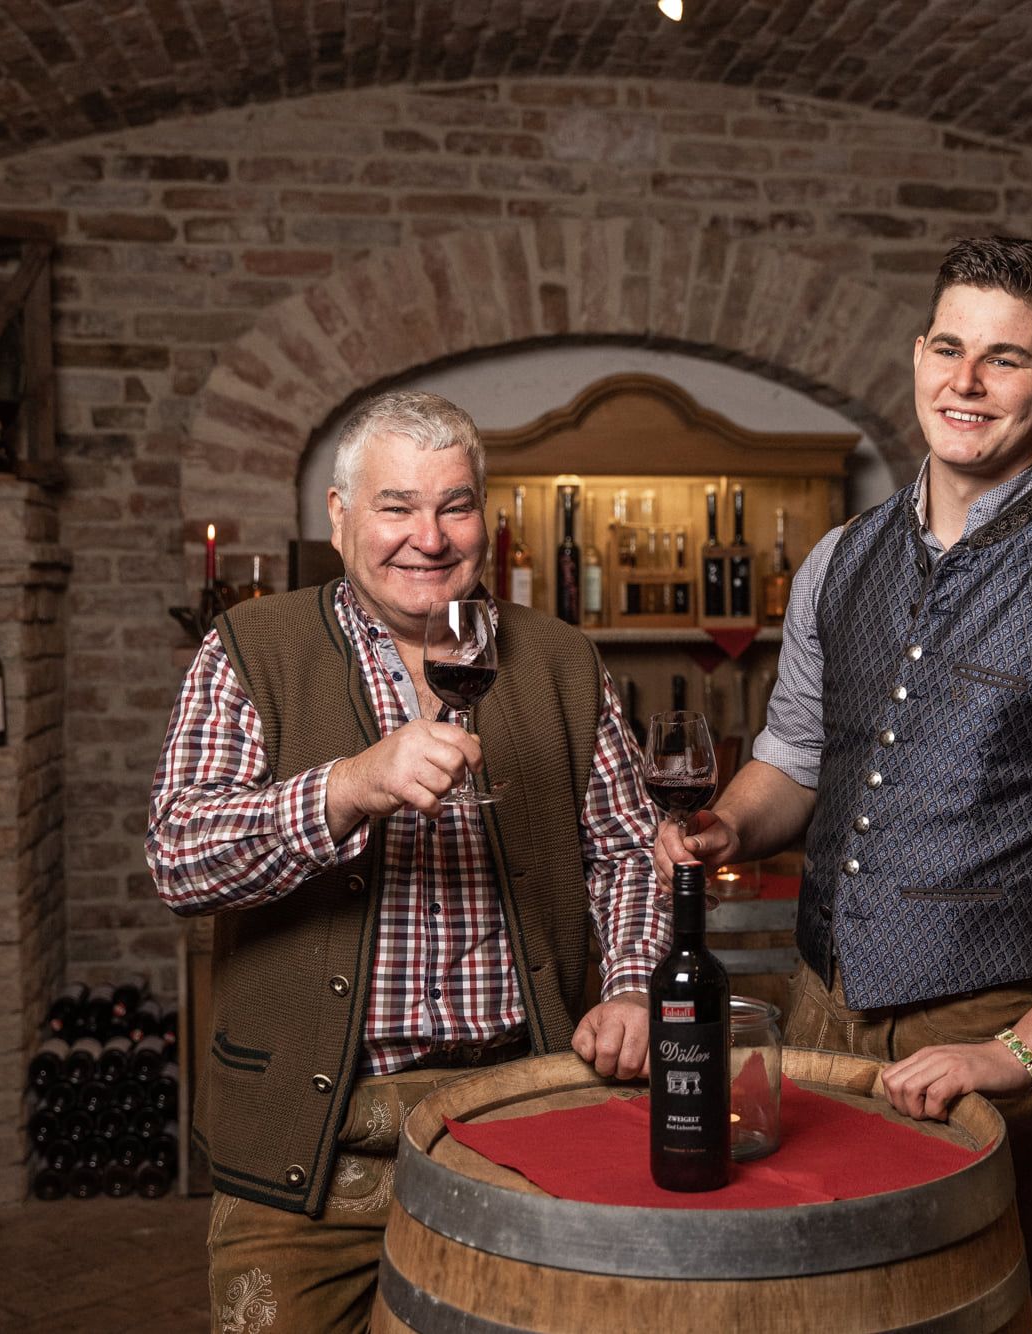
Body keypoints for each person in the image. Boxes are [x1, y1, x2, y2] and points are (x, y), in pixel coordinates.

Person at [658, 236, 1032, 1333]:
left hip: (984, 1031)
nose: (964, 382)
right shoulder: (839, 559)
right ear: (917, 353)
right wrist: (729, 820)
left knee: (976, 1315)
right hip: (816, 1014)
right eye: (947, 347)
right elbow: (793, 760)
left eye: (1004, 359)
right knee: (802, 1309)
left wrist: (1021, 1050)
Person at [148, 389, 665, 1333]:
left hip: (514, 1119)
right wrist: (346, 788)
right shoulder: (252, 650)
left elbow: (628, 852)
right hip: (308, 1147)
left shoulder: (558, 659)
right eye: (396, 507)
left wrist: (631, 987)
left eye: (454, 507)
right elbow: (180, 859)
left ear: (484, 521)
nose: (428, 538)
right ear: (340, 516)